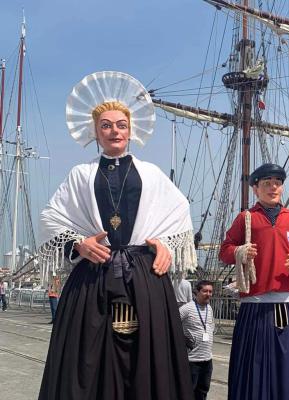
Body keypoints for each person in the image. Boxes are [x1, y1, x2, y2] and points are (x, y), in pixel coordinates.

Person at [37, 71, 195, 400]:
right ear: (95, 132)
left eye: (120, 124)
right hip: (93, 276)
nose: (114, 130)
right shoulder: (80, 174)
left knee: (149, 363)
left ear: (130, 130)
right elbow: (50, 216)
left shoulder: (150, 173)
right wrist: (77, 242)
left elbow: (178, 210)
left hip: (145, 277)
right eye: (106, 125)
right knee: (86, 363)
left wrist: (164, 244)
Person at [219, 163, 289, 400]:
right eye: (266, 183)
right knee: (256, 368)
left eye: (277, 183)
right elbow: (224, 251)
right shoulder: (246, 218)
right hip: (256, 305)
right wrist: (239, 251)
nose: (273, 187)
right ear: (256, 189)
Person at [179, 280, 215, 400]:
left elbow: (211, 326)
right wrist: (183, 340)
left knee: (203, 392)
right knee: (188, 392)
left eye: (210, 291)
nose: (208, 294)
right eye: (205, 291)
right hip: (191, 361)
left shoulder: (209, 308)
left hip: (207, 360)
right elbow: (171, 324)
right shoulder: (186, 308)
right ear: (196, 292)